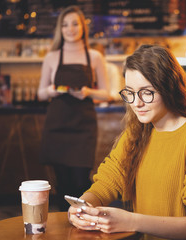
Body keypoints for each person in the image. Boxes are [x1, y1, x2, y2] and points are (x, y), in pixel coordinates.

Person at [68, 45, 186, 240]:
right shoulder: (137, 132)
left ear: (169, 88)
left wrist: (130, 221)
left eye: (146, 93)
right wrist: (82, 207)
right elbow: (107, 182)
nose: (136, 103)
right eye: (130, 92)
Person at [37, 5, 110, 211]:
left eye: (75, 24)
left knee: (80, 182)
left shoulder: (94, 56)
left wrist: (88, 92)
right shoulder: (52, 57)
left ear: (82, 27)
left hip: (83, 127)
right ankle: (64, 227)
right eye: (65, 25)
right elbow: (40, 93)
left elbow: (107, 93)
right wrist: (52, 90)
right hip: (57, 126)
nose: (70, 29)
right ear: (60, 29)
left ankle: (81, 223)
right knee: (62, 185)